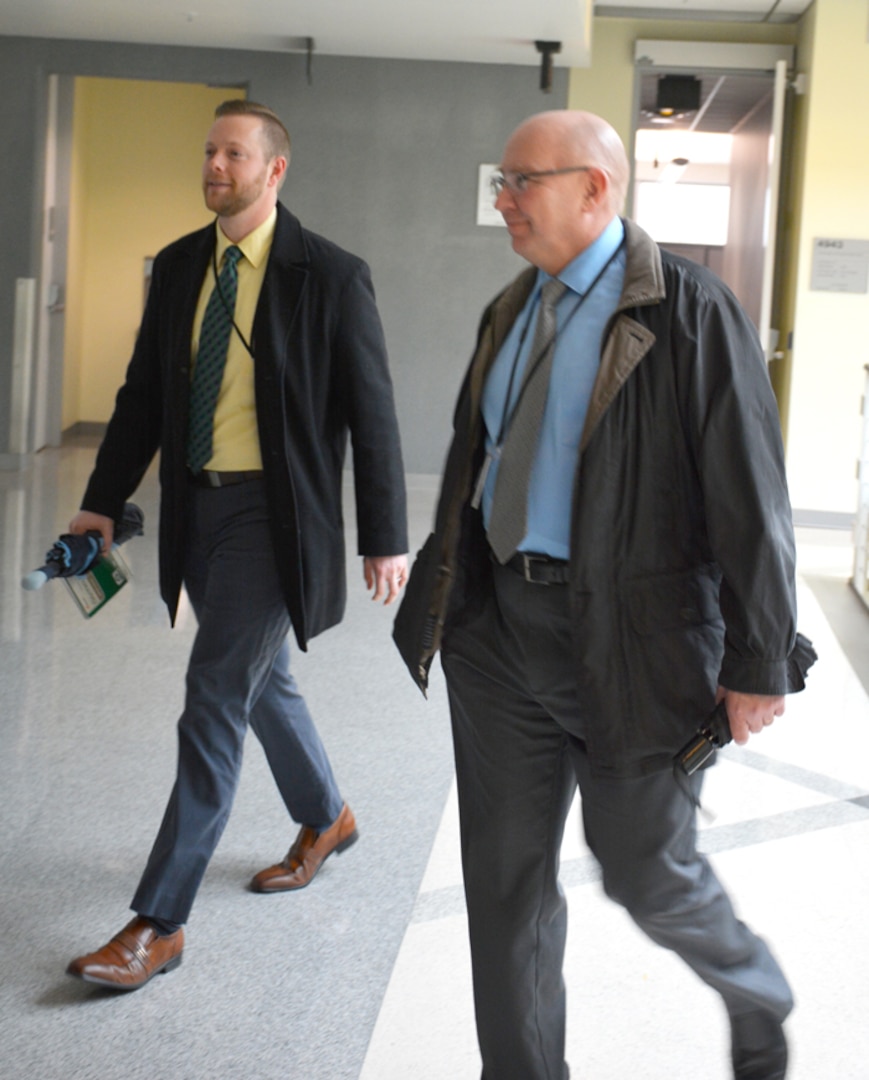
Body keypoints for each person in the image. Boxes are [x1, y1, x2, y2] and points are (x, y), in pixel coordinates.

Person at [394, 109, 815, 1079]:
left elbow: (752, 500)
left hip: (631, 641)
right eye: (500, 181)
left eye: (521, 182)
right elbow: (479, 461)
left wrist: (756, 664)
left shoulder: (689, 311)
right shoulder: (510, 306)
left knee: (642, 870)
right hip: (497, 630)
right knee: (502, 885)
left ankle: (754, 988)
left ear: (594, 188)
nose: (502, 201)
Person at [66, 99, 408, 991]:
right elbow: (145, 392)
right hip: (197, 512)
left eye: (233, 153)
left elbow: (371, 414)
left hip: (275, 519)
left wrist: (386, 536)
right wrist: (101, 502)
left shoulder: (328, 274)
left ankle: (158, 920)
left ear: (274, 170)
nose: (215, 164)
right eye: (209, 150)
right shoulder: (182, 265)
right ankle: (325, 815)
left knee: (213, 691)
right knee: (261, 680)